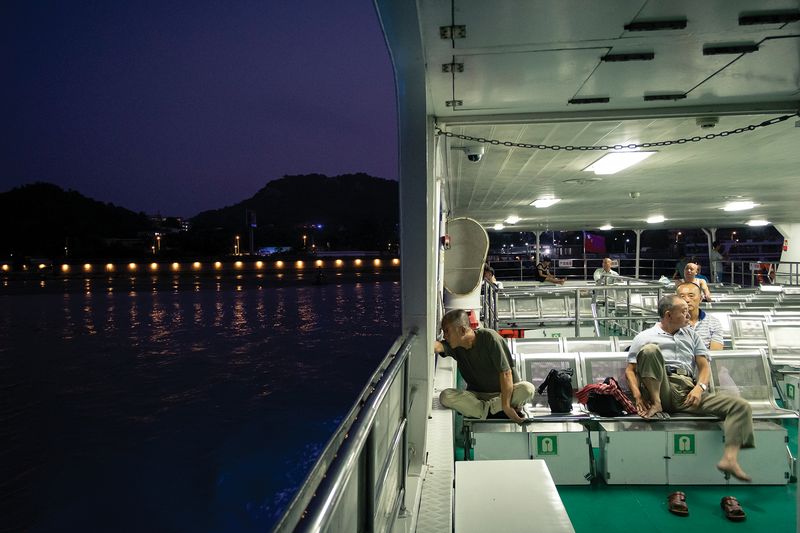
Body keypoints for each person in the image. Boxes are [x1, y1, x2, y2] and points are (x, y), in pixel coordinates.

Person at [624, 295, 754, 481]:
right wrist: (637, 397)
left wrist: (699, 388)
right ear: (668, 315)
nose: (688, 314)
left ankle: (730, 459)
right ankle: (657, 403)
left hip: (687, 391)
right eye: (683, 311)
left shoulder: (692, 335)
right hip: (660, 387)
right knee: (651, 351)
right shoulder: (644, 337)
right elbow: (630, 371)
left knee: (740, 406)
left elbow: (704, 366)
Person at [434, 309, 535, 423]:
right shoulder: (455, 345)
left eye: (447, 331)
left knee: (527, 389)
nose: (445, 336)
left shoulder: (489, 337)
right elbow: (437, 346)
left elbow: (506, 373)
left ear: (462, 330)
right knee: (445, 396)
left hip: (504, 394)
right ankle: (490, 410)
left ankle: (485, 411)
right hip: (477, 396)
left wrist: (506, 406)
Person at [676, 282, 722, 350]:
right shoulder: (672, 322)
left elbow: (715, 353)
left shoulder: (713, 322)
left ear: (700, 298)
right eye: (682, 296)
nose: (687, 300)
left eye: (691, 296)